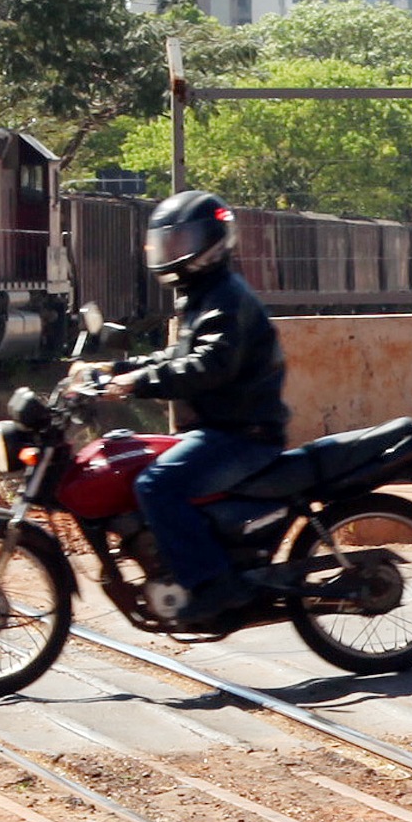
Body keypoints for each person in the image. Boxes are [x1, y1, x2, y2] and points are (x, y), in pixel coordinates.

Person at [89, 190, 289, 626]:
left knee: (156, 484)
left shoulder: (225, 299)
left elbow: (206, 367)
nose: (173, 252)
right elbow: (176, 358)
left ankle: (215, 583)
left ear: (213, 242)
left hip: (243, 434)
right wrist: (117, 368)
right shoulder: (205, 295)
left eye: (183, 242)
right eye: (168, 243)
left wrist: (136, 383)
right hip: (223, 428)